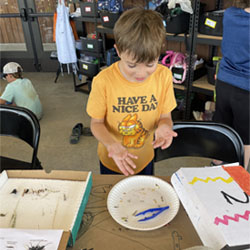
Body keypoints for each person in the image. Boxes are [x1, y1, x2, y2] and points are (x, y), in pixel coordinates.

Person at [87, 8, 177, 176]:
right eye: (132, 65)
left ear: (159, 52)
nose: (141, 74)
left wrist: (165, 127)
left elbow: (166, 117)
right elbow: (96, 123)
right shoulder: (104, 81)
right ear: (118, 51)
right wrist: (111, 144)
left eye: (150, 64)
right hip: (113, 157)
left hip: (146, 157)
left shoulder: (163, 76)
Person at [213, 0, 250, 169]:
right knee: (246, 137)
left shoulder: (229, 14)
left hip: (224, 81)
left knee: (221, 126)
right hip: (246, 89)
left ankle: (215, 164)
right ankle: (240, 171)